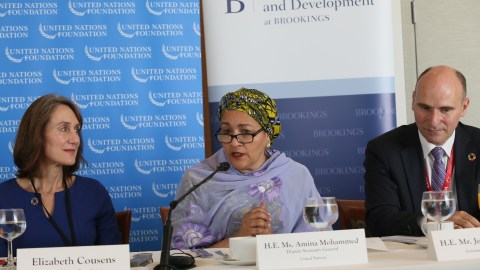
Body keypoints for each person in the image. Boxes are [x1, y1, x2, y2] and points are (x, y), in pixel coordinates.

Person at [170, 88, 322, 249]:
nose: (234, 142)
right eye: (227, 131)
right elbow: (180, 257)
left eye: (245, 132)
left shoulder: (296, 176)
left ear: (268, 135)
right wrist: (239, 237)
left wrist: (273, 246)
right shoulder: (198, 179)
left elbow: (318, 246)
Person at [364, 65, 480, 237]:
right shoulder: (384, 150)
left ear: (464, 107)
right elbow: (379, 220)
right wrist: (435, 224)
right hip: (413, 259)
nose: (433, 121)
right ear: (413, 101)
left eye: (445, 110)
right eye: (425, 108)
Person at [0, 94, 121, 256]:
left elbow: (114, 259)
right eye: (64, 129)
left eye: (76, 129)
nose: (75, 139)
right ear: (37, 135)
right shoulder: (3, 196)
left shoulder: (93, 192)